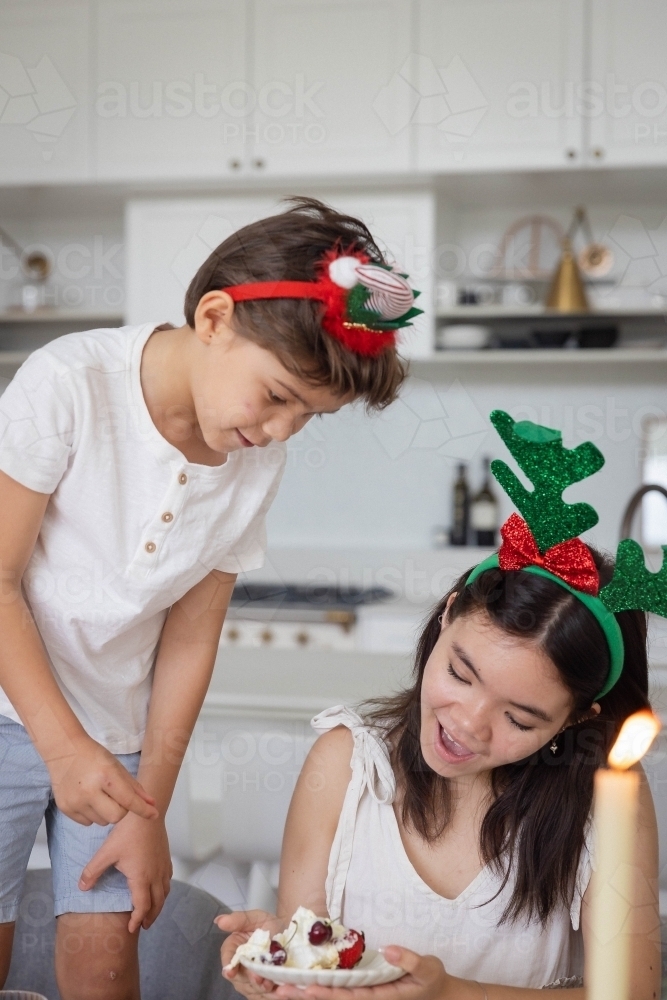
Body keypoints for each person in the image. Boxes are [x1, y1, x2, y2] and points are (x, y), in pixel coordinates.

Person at [0, 197, 421, 999]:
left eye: (308, 415)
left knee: (106, 954)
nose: (282, 432)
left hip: (118, 734)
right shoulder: (69, 384)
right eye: (276, 397)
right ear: (216, 317)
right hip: (7, 709)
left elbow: (191, 638)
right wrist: (58, 749)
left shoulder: (254, 461)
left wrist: (148, 806)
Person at [219, 410, 663, 1000]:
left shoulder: (608, 800)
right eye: (460, 672)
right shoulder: (346, 766)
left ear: (579, 719)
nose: (467, 725)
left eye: (518, 717)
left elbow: (628, 994)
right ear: (449, 613)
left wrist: (450, 993)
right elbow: (313, 961)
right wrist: (279, 964)